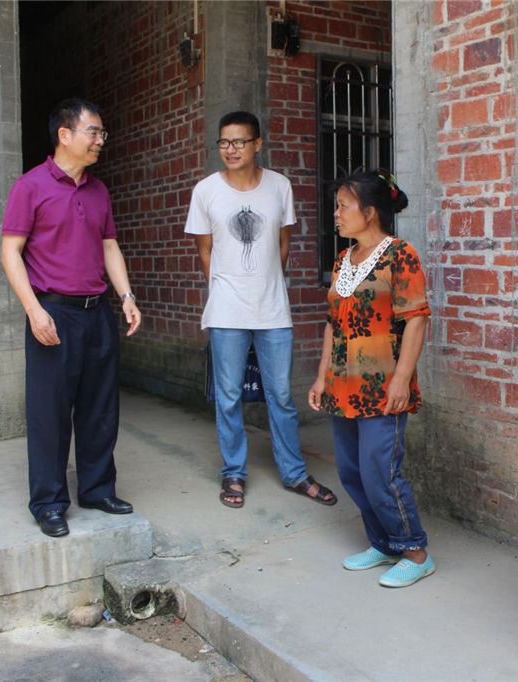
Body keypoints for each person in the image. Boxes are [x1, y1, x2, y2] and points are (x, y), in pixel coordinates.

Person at [1, 98, 141, 538]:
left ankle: (97, 489)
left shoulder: (99, 191)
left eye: (101, 133)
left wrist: (126, 295)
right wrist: (33, 309)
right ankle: (48, 502)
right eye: (93, 132)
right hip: (53, 312)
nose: (100, 140)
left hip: (96, 313)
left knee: (100, 408)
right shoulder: (30, 186)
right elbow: (10, 251)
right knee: (50, 414)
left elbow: (108, 246)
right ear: (65, 135)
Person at [185, 110, 336, 509]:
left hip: (272, 309)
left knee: (281, 395)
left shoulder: (279, 186)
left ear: (257, 144)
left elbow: (283, 244)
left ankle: (294, 473)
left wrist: (264, 282)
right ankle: (234, 472)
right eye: (224, 142)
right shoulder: (205, 191)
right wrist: (227, 288)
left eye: (239, 142)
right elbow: (205, 252)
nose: (230, 149)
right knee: (228, 396)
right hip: (226, 311)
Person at [308, 170, 434, 588]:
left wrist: (402, 379)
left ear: (370, 212)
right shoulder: (343, 261)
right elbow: (332, 324)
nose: (336, 213)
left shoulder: (400, 255)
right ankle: (383, 543)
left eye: (343, 206)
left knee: (380, 472)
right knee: (351, 472)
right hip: (342, 387)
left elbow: (416, 320)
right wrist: (322, 377)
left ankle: (415, 551)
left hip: (382, 387)